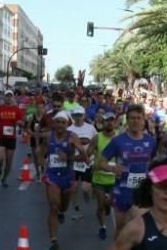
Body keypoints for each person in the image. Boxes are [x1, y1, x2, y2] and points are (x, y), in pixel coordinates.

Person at [98, 103, 158, 237]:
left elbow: (154, 162)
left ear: (143, 121)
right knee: (121, 229)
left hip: (141, 191)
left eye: (138, 118)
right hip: (121, 191)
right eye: (132, 118)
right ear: (127, 120)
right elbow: (100, 162)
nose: (135, 121)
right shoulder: (117, 141)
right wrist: (111, 168)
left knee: (142, 227)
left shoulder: (151, 141)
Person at [40, 111, 88, 250]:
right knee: (54, 206)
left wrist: (68, 158)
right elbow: (41, 151)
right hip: (52, 175)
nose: (60, 125)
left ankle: (62, 212)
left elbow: (84, 158)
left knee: (64, 207)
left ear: (68, 124)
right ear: (54, 123)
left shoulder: (72, 137)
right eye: (58, 122)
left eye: (63, 122)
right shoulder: (49, 137)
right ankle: (54, 240)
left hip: (68, 176)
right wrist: (42, 160)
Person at [90, 111, 119, 240]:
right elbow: (88, 153)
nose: (110, 123)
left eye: (112, 120)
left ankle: (108, 206)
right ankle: (103, 227)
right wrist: (91, 163)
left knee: (112, 204)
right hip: (99, 177)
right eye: (107, 120)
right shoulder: (97, 137)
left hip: (115, 178)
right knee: (100, 205)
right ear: (103, 122)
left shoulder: (120, 137)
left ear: (115, 122)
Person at [68, 105, 98, 221]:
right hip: (74, 162)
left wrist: (96, 157)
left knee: (85, 188)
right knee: (73, 188)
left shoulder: (90, 128)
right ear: (73, 116)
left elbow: (96, 142)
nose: (78, 117)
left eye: (80, 115)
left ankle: (87, 193)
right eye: (76, 115)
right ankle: (77, 210)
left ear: (84, 116)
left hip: (87, 162)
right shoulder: (69, 130)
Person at [0, 90, 24, 186]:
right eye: (7, 96)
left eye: (10, 96)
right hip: (0, 137)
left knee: (9, 162)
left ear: (12, 97)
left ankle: (4, 178)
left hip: (11, 138)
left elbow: (22, 123)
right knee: (0, 159)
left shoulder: (16, 110)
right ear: (4, 97)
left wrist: (20, 124)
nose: (8, 98)